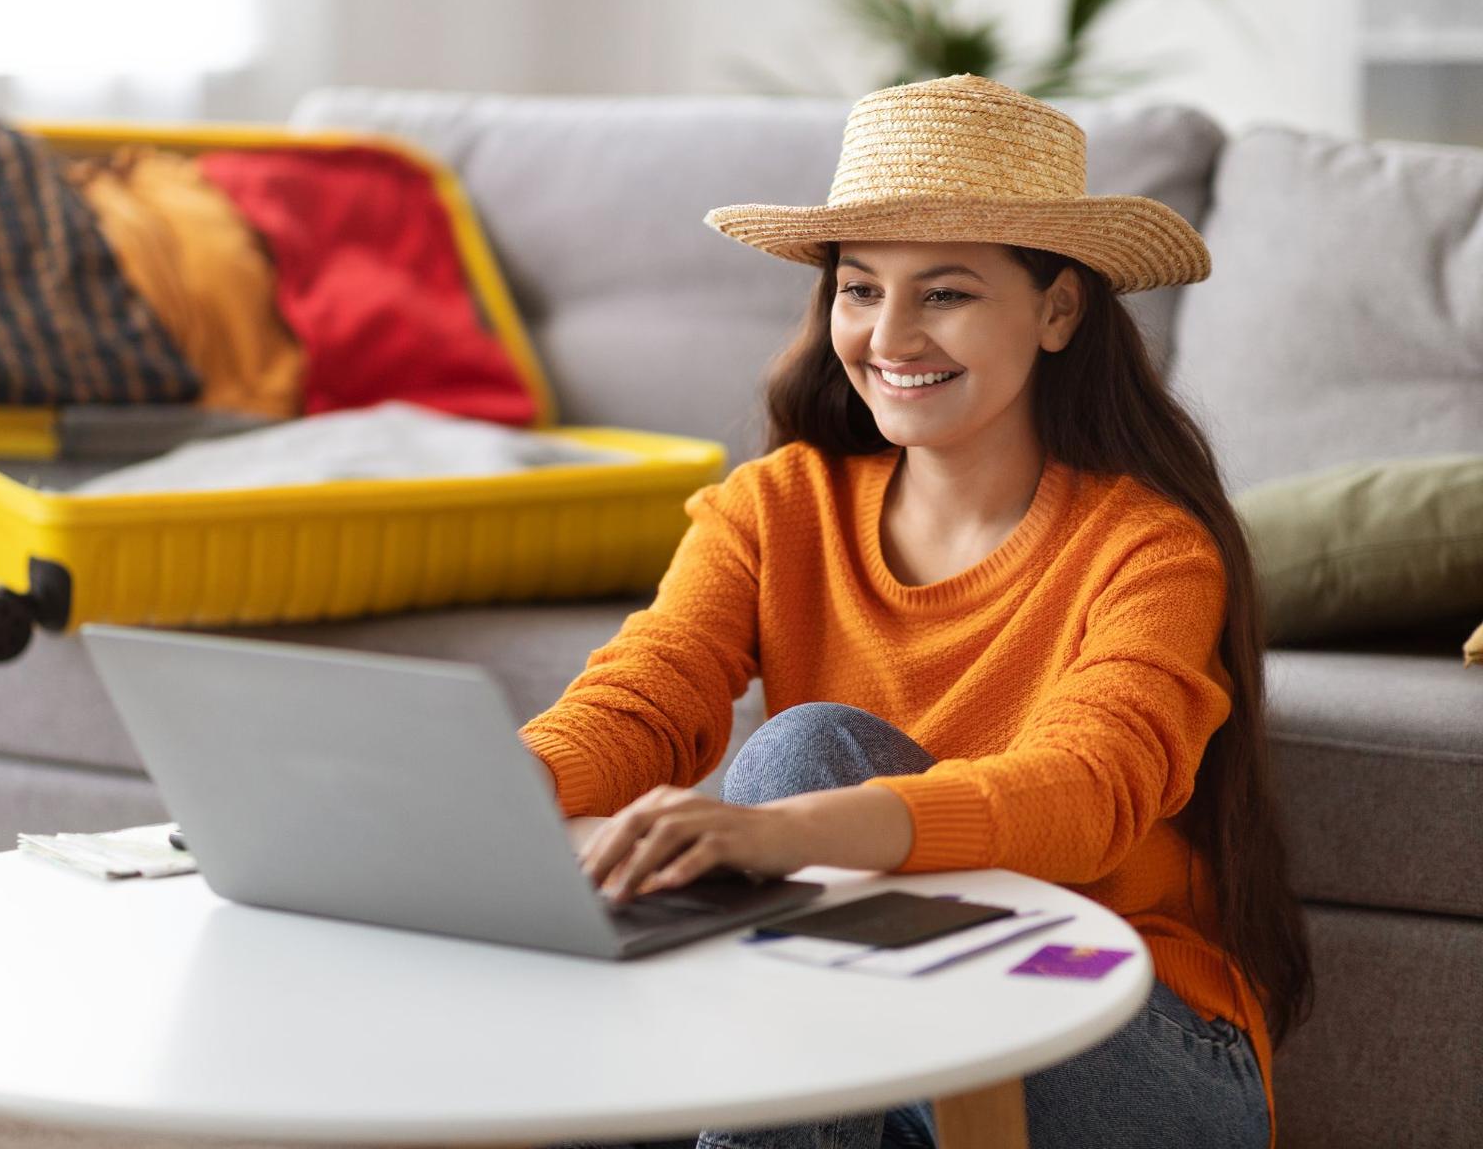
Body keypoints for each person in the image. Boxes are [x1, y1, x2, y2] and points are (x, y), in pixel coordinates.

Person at [519, 74, 1311, 1149]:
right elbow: (643, 696)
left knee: (801, 755)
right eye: (858, 288)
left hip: (1120, 1028)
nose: (890, 333)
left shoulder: (1150, 548)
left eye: (944, 293)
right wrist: (480, 798)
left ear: (1058, 308)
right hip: (865, 1020)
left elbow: (1086, 789)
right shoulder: (777, 505)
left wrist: (784, 835)